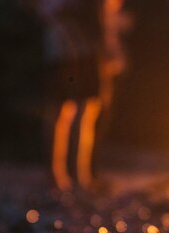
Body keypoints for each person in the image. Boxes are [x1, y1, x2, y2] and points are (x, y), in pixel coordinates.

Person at [37, 0, 130, 191]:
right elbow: (101, 12)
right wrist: (110, 47)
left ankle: (61, 176)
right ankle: (79, 177)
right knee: (83, 111)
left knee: (61, 112)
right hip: (83, 49)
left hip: (59, 45)